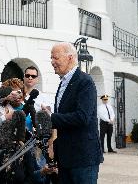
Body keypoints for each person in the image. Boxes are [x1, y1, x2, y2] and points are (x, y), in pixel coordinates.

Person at [43, 42, 103, 184]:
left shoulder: (85, 81)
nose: (52, 62)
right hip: (66, 157)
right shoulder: (63, 82)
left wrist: (51, 117)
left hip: (82, 157)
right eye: (51, 58)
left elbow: (82, 117)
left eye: (55, 58)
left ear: (70, 58)